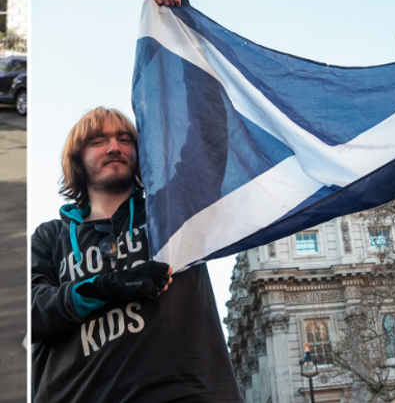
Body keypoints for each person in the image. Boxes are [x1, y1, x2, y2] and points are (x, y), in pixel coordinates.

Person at [31, 52, 244, 398]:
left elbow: (208, 135)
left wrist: (185, 44)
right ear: (77, 160)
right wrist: (107, 286)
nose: (114, 147)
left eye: (125, 139)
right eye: (98, 141)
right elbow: (30, 314)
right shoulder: (49, 237)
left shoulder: (173, 207)